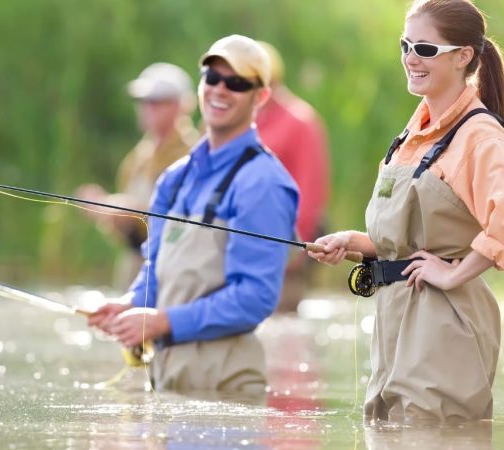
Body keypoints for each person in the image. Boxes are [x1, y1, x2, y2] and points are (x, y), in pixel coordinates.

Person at [308, 0, 504, 423]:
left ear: (463, 56)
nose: (410, 59)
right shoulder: (410, 135)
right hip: (394, 319)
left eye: (426, 49)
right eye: (405, 45)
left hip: (444, 324)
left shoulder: (479, 135)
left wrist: (454, 273)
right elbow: (409, 238)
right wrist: (354, 242)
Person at [88, 35, 299, 394]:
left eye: (236, 82)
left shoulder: (263, 182)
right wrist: (129, 304)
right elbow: (156, 267)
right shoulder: (175, 177)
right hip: (167, 376)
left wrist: (163, 322)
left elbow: (254, 298)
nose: (220, 89)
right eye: (212, 78)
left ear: (260, 97)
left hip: (225, 384)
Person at [76, 62, 199, 290]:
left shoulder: (195, 155)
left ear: (182, 105)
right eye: (143, 102)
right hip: (134, 270)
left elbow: (191, 226)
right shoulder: (136, 159)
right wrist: (104, 210)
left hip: (173, 274)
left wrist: (129, 210)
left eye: (156, 102)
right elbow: (126, 234)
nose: (147, 108)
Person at [255, 41, 331, 313]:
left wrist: (293, 251)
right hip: (243, 257)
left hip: (282, 261)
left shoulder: (300, 121)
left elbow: (310, 193)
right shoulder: (248, 121)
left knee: (282, 346)